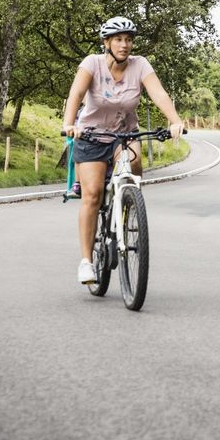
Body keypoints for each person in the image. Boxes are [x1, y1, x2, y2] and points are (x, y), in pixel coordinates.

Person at [62, 17, 184, 285]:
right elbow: (75, 93)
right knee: (92, 196)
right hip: (91, 135)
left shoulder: (140, 65)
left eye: (128, 39)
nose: (124, 44)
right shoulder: (91, 64)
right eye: (118, 39)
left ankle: (127, 202)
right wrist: (70, 124)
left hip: (123, 133)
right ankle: (86, 261)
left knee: (135, 162)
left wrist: (175, 121)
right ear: (106, 43)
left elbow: (159, 94)